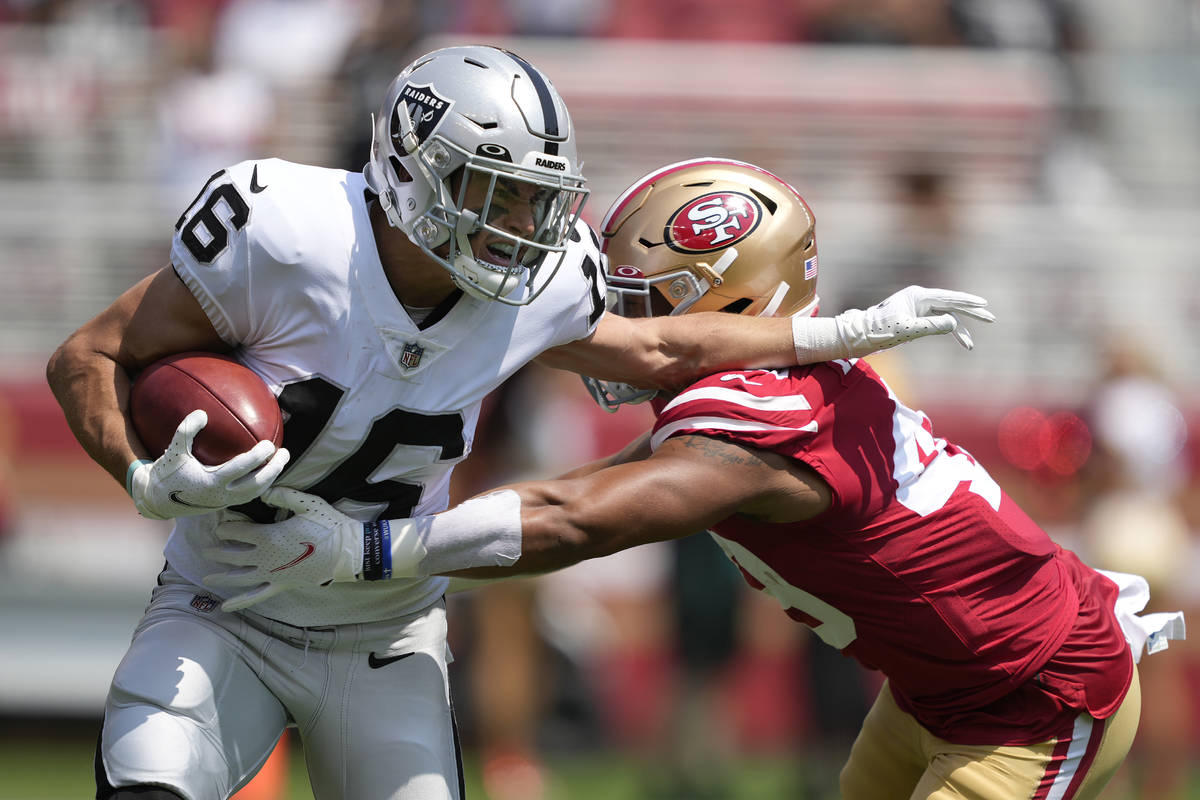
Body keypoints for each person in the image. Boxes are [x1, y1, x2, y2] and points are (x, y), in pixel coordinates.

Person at [44, 46, 987, 800]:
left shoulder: (538, 284)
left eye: (538, 195)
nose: (525, 223)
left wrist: (839, 328)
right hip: (224, 608)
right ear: (413, 172)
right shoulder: (281, 231)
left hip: (384, 631)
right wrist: (138, 471)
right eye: (496, 192)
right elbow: (86, 356)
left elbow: (660, 352)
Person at [208, 157, 1185, 800]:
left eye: (649, 297)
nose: (621, 319)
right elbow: (613, 446)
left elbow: (575, 516)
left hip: (1038, 693)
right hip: (942, 688)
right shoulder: (781, 380)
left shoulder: (755, 424)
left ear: (740, 298)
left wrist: (375, 547)